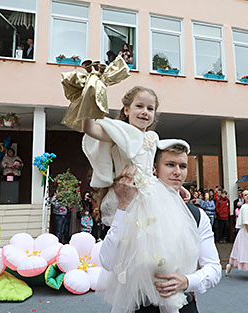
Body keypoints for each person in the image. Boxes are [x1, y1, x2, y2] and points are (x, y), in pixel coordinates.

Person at [70, 83, 200, 313]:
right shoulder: (117, 132)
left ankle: (168, 297)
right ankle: (140, 297)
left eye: (150, 109)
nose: (145, 112)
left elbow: (158, 170)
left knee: (162, 248)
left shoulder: (153, 137)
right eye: (139, 106)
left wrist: (174, 188)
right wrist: (89, 97)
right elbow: (89, 129)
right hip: (130, 195)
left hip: (152, 194)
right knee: (133, 254)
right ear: (126, 109)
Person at [100, 142, 222, 313]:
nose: (177, 172)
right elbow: (107, 260)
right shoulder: (136, 207)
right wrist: (123, 206)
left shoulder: (197, 215)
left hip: (182, 306)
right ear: (155, 168)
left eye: (183, 166)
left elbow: (214, 268)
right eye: (170, 165)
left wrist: (187, 281)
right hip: (139, 307)